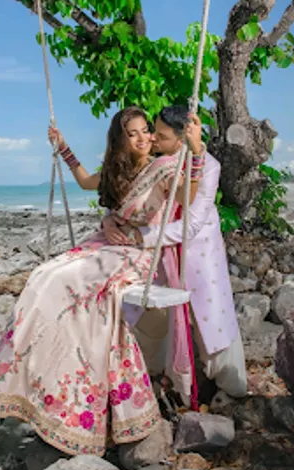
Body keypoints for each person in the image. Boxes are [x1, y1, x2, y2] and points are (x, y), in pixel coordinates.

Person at [0, 105, 205, 457]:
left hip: (135, 252)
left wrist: (196, 151)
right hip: (104, 245)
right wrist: (64, 148)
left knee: (69, 282)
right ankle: (30, 376)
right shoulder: (118, 171)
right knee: (43, 275)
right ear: (121, 140)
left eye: (146, 131)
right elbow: (84, 181)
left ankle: (71, 395)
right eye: (133, 134)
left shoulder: (164, 168)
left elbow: (188, 197)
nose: (143, 138)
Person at [104, 104, 247, 399]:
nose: (152, 139)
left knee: (212, 318)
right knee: (151, 311)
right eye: (153, 131)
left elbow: (191, 224)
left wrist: (139, 237)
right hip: (161, 251)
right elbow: (129, 202)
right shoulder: (158, 164)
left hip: (197, 251)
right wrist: (109, 221)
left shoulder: (208, 166)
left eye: (161, 135)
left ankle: (232, 388)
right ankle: (157, 373)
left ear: (181, 139)